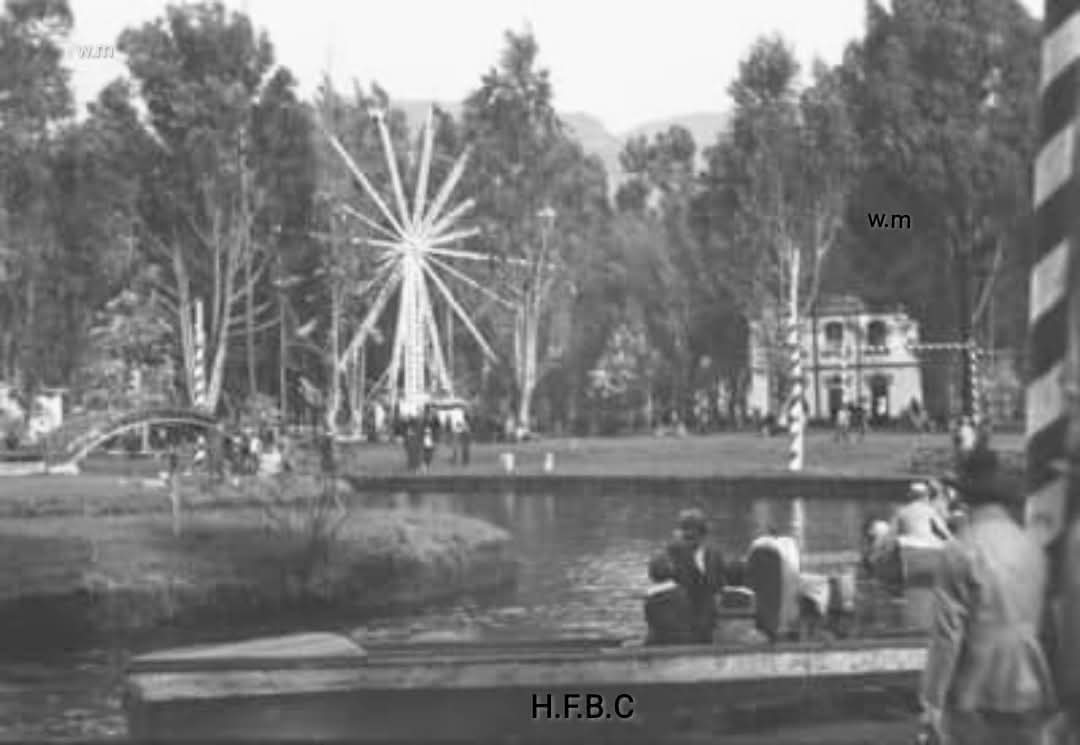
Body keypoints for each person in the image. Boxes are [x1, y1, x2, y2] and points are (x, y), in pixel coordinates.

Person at [919, 447, 1056, 745]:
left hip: (977, 690)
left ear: (964, 498)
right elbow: (1049, 624)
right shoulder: (1031, 547)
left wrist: (932, 702)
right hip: (1032, 683)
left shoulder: (960, 550)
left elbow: (947, 636)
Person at [664, 508, 730, 644]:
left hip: (705, 617)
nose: (689, 538)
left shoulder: (714, 553)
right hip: (682, 617)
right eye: (686, 533)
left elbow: (720, 584)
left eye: (692, 534)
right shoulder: (674, 551)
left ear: (702, 533)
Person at [643, 553, 695, 645]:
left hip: (659, 643)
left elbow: (653, 627)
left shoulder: (650, 600)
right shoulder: (683, 593)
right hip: (684, 641)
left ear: (651, 575)